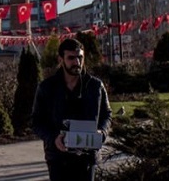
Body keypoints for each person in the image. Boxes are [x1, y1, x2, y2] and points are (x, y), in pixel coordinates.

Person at [32, 38, 112, 181]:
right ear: (60, 59)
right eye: (71, 58)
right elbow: (37, 121)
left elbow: (107, 115)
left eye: (80, 57)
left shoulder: (95, 86)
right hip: (58, 158)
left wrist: (102, 132)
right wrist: (53, 138)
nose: (77, 62)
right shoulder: (47, 88)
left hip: (87, 157)